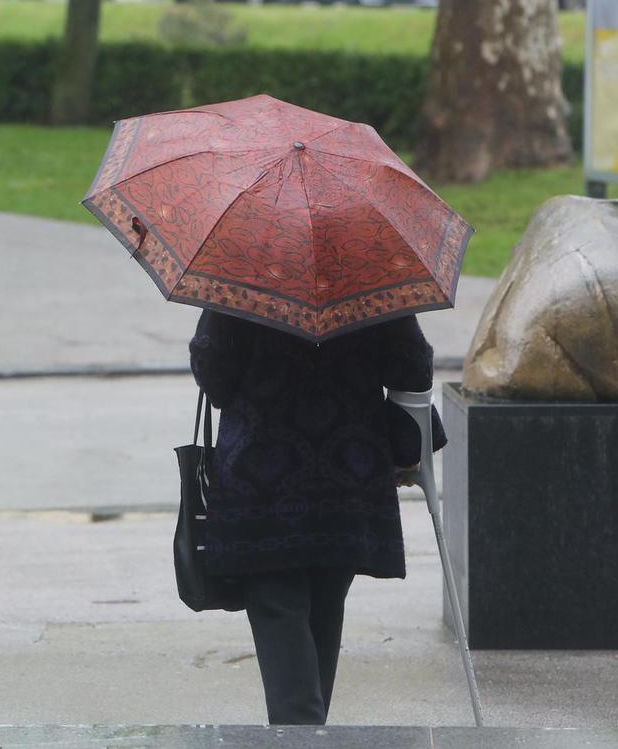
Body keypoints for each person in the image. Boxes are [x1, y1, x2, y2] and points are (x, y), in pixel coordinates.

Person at [188, 309, 445, 725]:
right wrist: (404, 451)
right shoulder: (370, 271)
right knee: (324, 610)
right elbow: (412, 366)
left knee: (280, 612)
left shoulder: (246, 268)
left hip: (261, 483)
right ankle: (308, 734)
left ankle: (302, 736)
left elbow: (212, 366)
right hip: (347, 475)